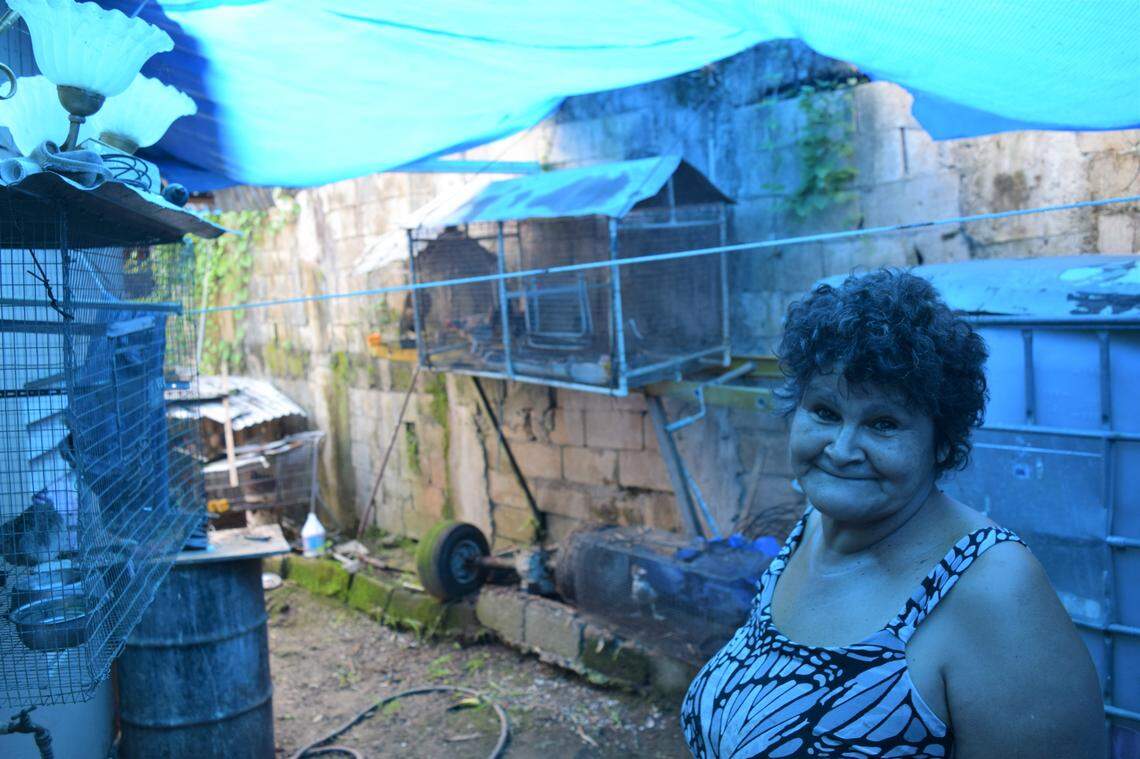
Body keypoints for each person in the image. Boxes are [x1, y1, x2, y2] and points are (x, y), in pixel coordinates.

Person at [680, 269, 1105, 758]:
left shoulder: (994, 589)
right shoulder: (815, 528)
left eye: (883, 424)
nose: (841, 449)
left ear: (941, 445)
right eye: (824, 411)